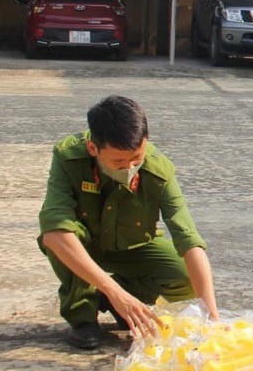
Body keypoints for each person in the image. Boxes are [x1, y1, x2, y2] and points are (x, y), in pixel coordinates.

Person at [38, 96, 219, 350]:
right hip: (85, 246)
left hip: (133, 246)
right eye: (118, 162)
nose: (130, 167)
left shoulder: (159, 169)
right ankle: (82, 315)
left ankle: (122, 303)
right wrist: (115, 291)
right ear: (93, 148)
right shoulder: (68, 158)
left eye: (137, 158)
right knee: (64, 237)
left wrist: (212, 318)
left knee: (186, 274)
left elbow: (189, 241)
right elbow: (54, 233)